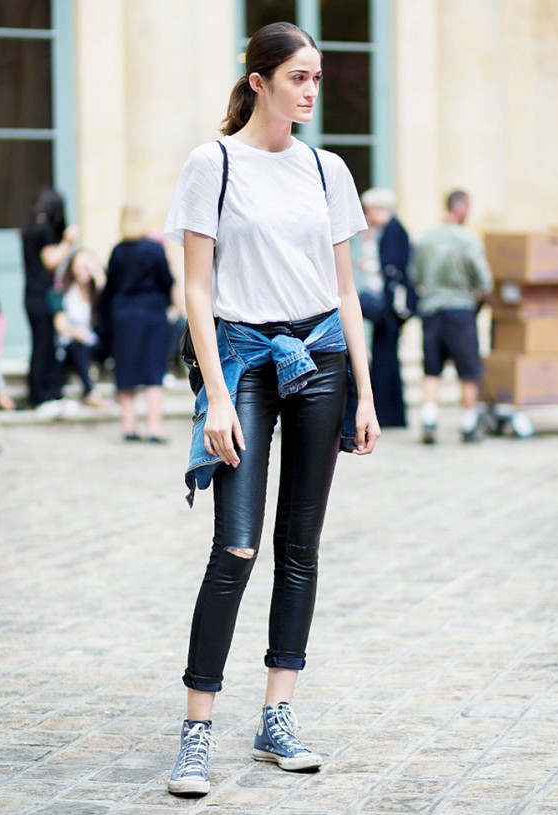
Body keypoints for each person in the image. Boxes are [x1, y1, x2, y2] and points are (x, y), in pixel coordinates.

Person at [163, 21, 380, 797]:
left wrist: (365, 391)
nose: (310, 90)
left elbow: (346, 291)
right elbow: (196, 288)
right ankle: (196, 728)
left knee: (300, 546)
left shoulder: (326, 169)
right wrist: (216, 398)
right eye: (297, 77)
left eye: (316, 76)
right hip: (243, 359)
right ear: (257, 81)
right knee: (236, 545)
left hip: (321, 357)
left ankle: (276, 714)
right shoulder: (213, 163)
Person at [410, 189, 493, 444]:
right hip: (461, 311)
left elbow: (415, 275)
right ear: (461, 207)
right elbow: (485, 280)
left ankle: (429, 420)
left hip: (432, 310)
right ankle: (468, 426)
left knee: (431, 370)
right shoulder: (469, 241)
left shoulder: (426, 239)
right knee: (468, 371)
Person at [100, 201, 174, 442]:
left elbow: (109, 288)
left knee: (126, 370)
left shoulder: (118, 251)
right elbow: (167, 280)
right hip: (152, 314)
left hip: (123, 316)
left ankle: (129, 426)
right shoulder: (154, 249)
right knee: (154, 370)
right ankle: (154, 427)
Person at [358, 188, 416, 427]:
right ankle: (389, 413)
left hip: (390, 308)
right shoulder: (388, 231)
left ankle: (387, 413)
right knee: (385, 357)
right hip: (391, 306)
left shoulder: (393, 232)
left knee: (385, 360)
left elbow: (391, 270)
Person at [21, 187, 80, 412]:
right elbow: (50, 261)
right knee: (44, 345)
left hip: (31, 295)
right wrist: (67, 241)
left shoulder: (30, 227)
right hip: (41, 296)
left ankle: (42, 392)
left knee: (41, 344)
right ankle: (41, 394)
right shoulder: (43, 229)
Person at [47, 249, 108, 407]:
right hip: (72, 345)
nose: (83, 271)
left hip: (94, 344)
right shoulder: (63, 293)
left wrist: (100, 281)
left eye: (87, 266)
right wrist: (78, 334)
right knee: (78, 346)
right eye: (79, 267)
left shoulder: (97, 293)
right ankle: (90, 392)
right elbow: (61, 325)